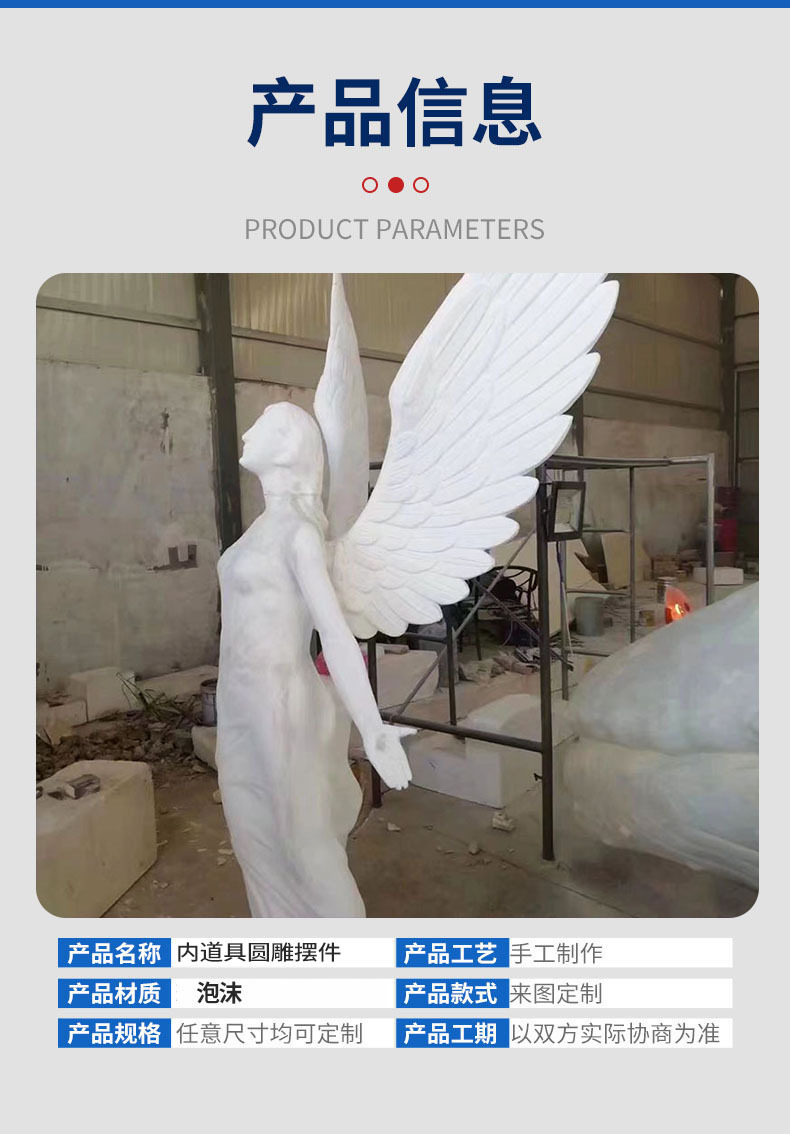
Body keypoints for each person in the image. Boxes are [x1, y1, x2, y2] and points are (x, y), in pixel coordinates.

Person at [216, 402, 413, 917]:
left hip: (280, 701)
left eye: (261, 425)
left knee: (302, 842)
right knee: (252, 836)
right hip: (236, 703)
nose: (247, 432)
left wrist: (372, 729)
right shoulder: (262, 528)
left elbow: (335, 634)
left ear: (287, 447)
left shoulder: (300, 533)